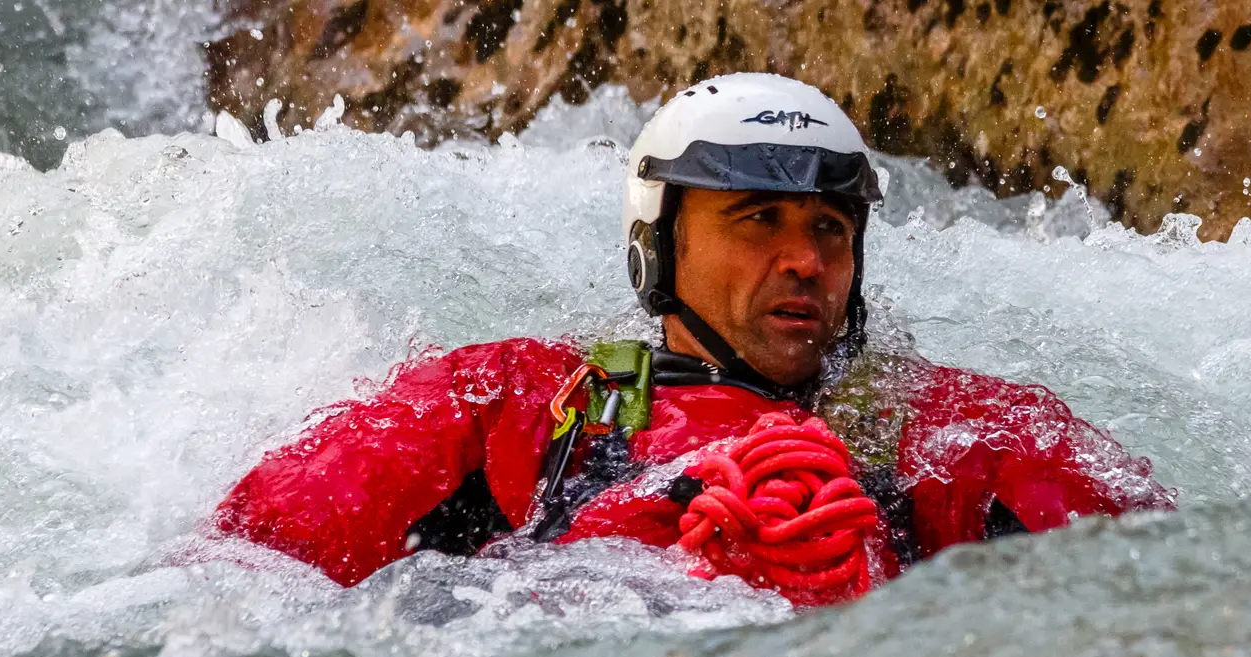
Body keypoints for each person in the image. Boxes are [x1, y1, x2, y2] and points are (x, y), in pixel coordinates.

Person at [214, 73, 1175, 607]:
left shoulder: (962, 435)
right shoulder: (517, 398)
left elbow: (1191, 589)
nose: (806, 261)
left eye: (830, 230)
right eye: (759, 220)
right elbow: (245, 575)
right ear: (659, 247)